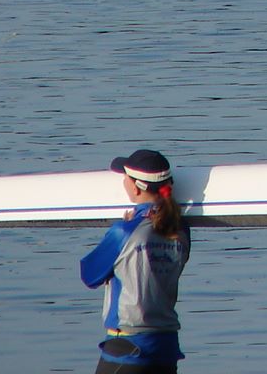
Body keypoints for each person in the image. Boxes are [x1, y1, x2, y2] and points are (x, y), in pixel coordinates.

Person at [80, 149, 191, 374]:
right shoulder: (181, 229)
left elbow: (89, 275)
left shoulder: (124, 231)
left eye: (125, 177)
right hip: (166, 347)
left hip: (128, 347)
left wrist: (121, 230)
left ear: (136, 187)